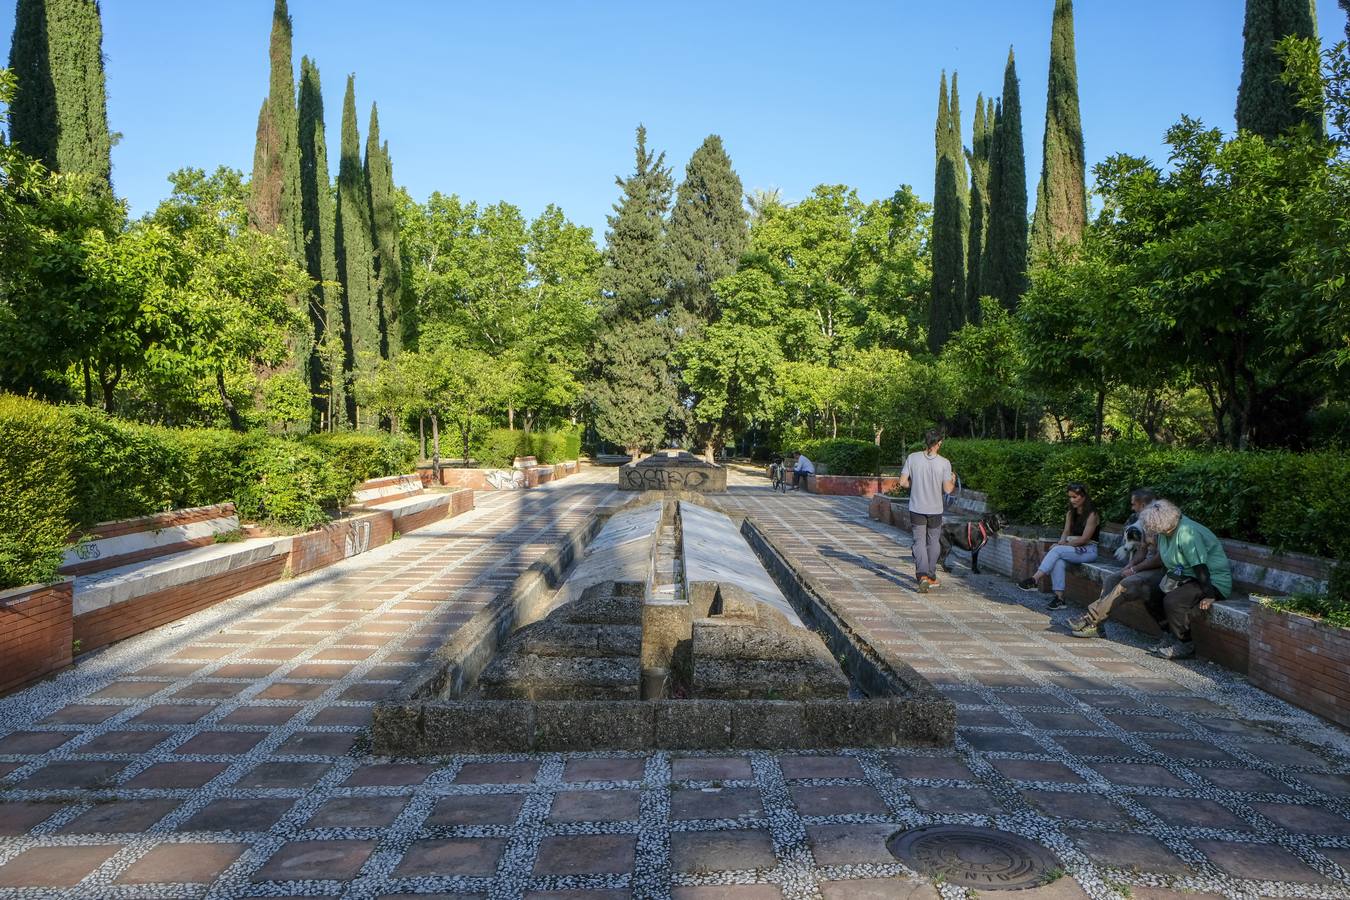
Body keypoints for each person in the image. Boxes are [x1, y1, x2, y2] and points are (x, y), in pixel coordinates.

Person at [1136, 499, 1232, 660]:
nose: (1153, 531)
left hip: (1211, 580)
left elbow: (1200, 567)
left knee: (1173, 601)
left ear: (1164, 523)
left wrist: (1210, 595)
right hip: (1186, 577)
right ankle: (1169, 636)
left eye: (1155, 527)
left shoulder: (1188, 532)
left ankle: (1185, 644)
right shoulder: (1165, 532)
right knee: (1148, 591)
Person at [1069, 488, 1166, 638]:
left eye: (1134, 504)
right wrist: (1130, 565)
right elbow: (1143, 550)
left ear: (1144, 504)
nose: (1132, 508)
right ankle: (1097, 626)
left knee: (1124, 584)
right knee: (1112, 578)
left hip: (1161, 570)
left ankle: (1091, 619)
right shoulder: (1146, 522)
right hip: (1147, 566)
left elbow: (1159, 559)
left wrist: (1134, 570)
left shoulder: (1162, 522)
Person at [1019, 483, 1099, 610]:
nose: (1071, 500)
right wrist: (1061, 542)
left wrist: (1062, 545)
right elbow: (1066, 532)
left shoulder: (1092, 514)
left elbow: (1084, 539)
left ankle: (1035, 579)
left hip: (1088, 550)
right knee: (1058, 561)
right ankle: (1060, 598)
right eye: (1070, 497)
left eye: (1074, 497)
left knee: (1057, 551)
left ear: (1083, 496)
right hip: (1073, 548)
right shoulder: (1070, 513)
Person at [899, 429, 956, 593]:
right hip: (935, 510)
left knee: (919, 542)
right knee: (933, 542)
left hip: (916, 508)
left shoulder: (912, 458)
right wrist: (952, 480)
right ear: (939, 443)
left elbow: (902, 482)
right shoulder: (945, 463)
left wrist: (915, 484)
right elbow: (947, 490)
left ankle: (922, 576)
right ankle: (931, 576)